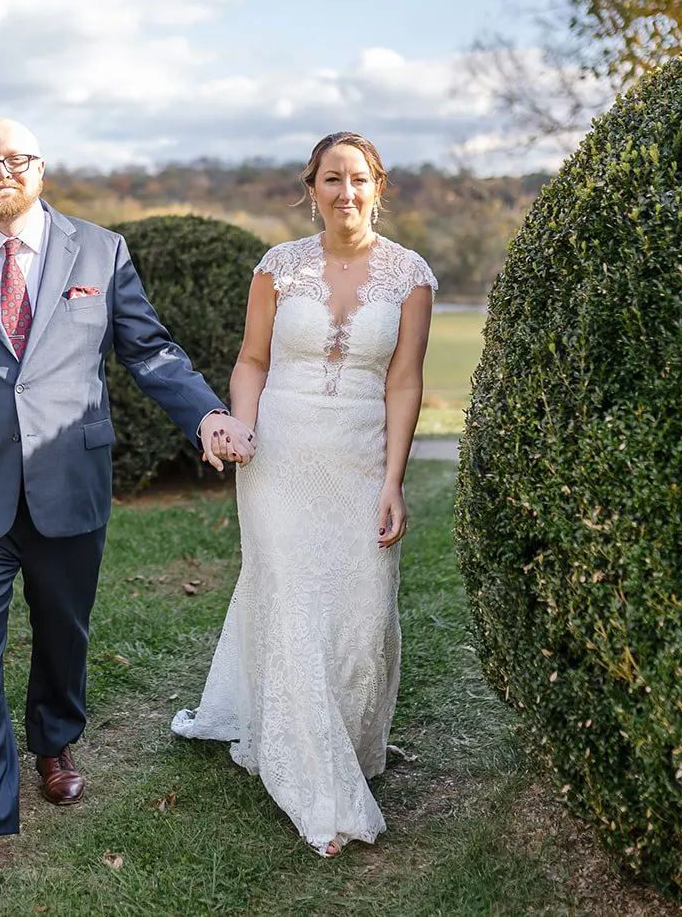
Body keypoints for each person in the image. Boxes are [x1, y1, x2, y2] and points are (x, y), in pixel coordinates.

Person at [0, 118, 254, 906]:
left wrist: (204, 416)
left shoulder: (101, 251)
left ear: (40, 168)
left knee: (64, 629)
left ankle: (55, 737)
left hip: (68, 480)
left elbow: (149, 350)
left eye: (13, 159)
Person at [171, 131, 436, 856]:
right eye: (330, 179)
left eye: (357, 179)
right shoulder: (277, 268)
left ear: (378, 185)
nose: (344, 193)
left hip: (359, 458)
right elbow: (251, 360)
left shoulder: (412, 276)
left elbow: (405, 382)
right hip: (279, 458)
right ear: (310, 187)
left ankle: (347, 744)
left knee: (362, 609)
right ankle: (315, 785)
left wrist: (393, 481)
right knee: (291, 600)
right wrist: (243, 427)